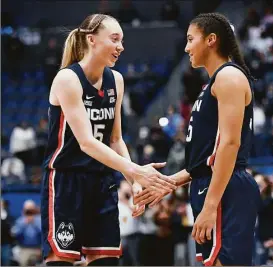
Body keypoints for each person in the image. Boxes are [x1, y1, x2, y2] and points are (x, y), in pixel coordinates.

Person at [40, 13, 176, 266]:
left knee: (106, 260)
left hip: (102, 181)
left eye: (122, 40)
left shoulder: (117, 81)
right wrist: (136, 170)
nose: (121, 47)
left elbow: (115, 139)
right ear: (91, 40)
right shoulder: (68, 79)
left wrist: (134, 181)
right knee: (61, 260)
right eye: (115, 39)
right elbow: (87, 142)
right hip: (67, 180)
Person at [135, 13, 261, 266]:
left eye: (191, 39)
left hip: (224, 189)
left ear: (211, 40)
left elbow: (230, 144)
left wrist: (211, 205)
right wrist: (170, 182)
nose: (186, 47)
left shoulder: (228, 77)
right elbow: (208, 155)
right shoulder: (212, 84)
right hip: (211, 185)